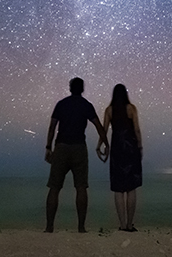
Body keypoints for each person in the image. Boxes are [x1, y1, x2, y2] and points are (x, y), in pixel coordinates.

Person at [44, 77, 109, 233]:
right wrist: (106, 144)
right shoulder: (86, 105)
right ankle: (81, 227)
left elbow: (52, 127)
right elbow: (99, 126)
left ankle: (49, 227)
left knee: (54, 187)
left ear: (70, 88)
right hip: (79, 148)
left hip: (61, 147)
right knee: (81, 187)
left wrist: (48, 147)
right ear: (82, 89)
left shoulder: (61, 104)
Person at [99, 83, 143, 232]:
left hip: (117, 148)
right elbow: (136, 129)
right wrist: (140, 147)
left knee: (118, 188)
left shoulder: (109, 110)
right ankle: (130, 225)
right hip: (131, 148)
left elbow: (104, 131)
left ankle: (122, 225)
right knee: (131, 188)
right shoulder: (131, 108)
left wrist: (101, 145)